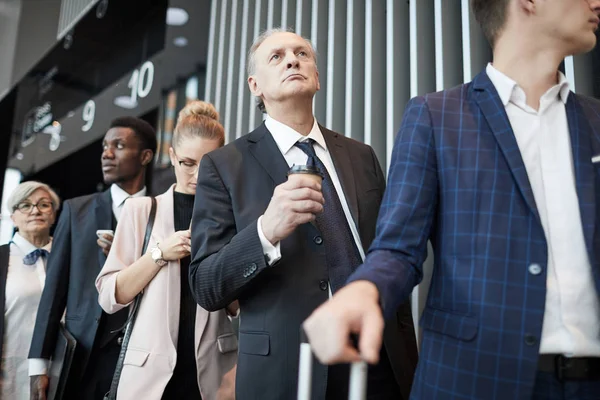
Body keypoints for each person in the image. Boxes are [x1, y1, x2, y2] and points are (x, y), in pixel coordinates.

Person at [303, 0, 600, 399]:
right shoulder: (436, 116)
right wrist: (363, 290)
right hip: (471, 380)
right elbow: (397, 248)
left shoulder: (595, 121)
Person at [189, 28, 418, 400]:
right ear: (254, 85)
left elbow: (390, 248)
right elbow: (205, 285)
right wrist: (266, 231)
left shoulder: (361, 156)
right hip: (285, 368)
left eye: (302, 54)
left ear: (317, 77)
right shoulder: (223, 165)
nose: (293, 60)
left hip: (381, 356)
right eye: (276, 57)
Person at [96, 101, 237, 400]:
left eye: (208, 163)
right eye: (188, 163)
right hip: (148, 377)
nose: (198, 174)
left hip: (213, 375)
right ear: (171, 157)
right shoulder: (140, 210)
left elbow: (240, 306)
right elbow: (110, 296)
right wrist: (159, 254)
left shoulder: (232, 216)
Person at [28, 117, 156, 400]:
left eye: (119, 146)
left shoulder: (162, 213)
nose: (106, 153)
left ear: (145, 156)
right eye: (104, 146)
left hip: (142, 359)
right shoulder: (77, 212)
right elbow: (54, 292)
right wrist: (39, 364)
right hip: (81, 358)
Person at [0, 182, 59, 400]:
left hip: (62, 372)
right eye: (25, 205)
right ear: (13, 217)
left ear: (53, 215)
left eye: (44, 205)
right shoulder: (2, 260)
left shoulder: (72, 258)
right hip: (11, 376)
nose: (35, 210)